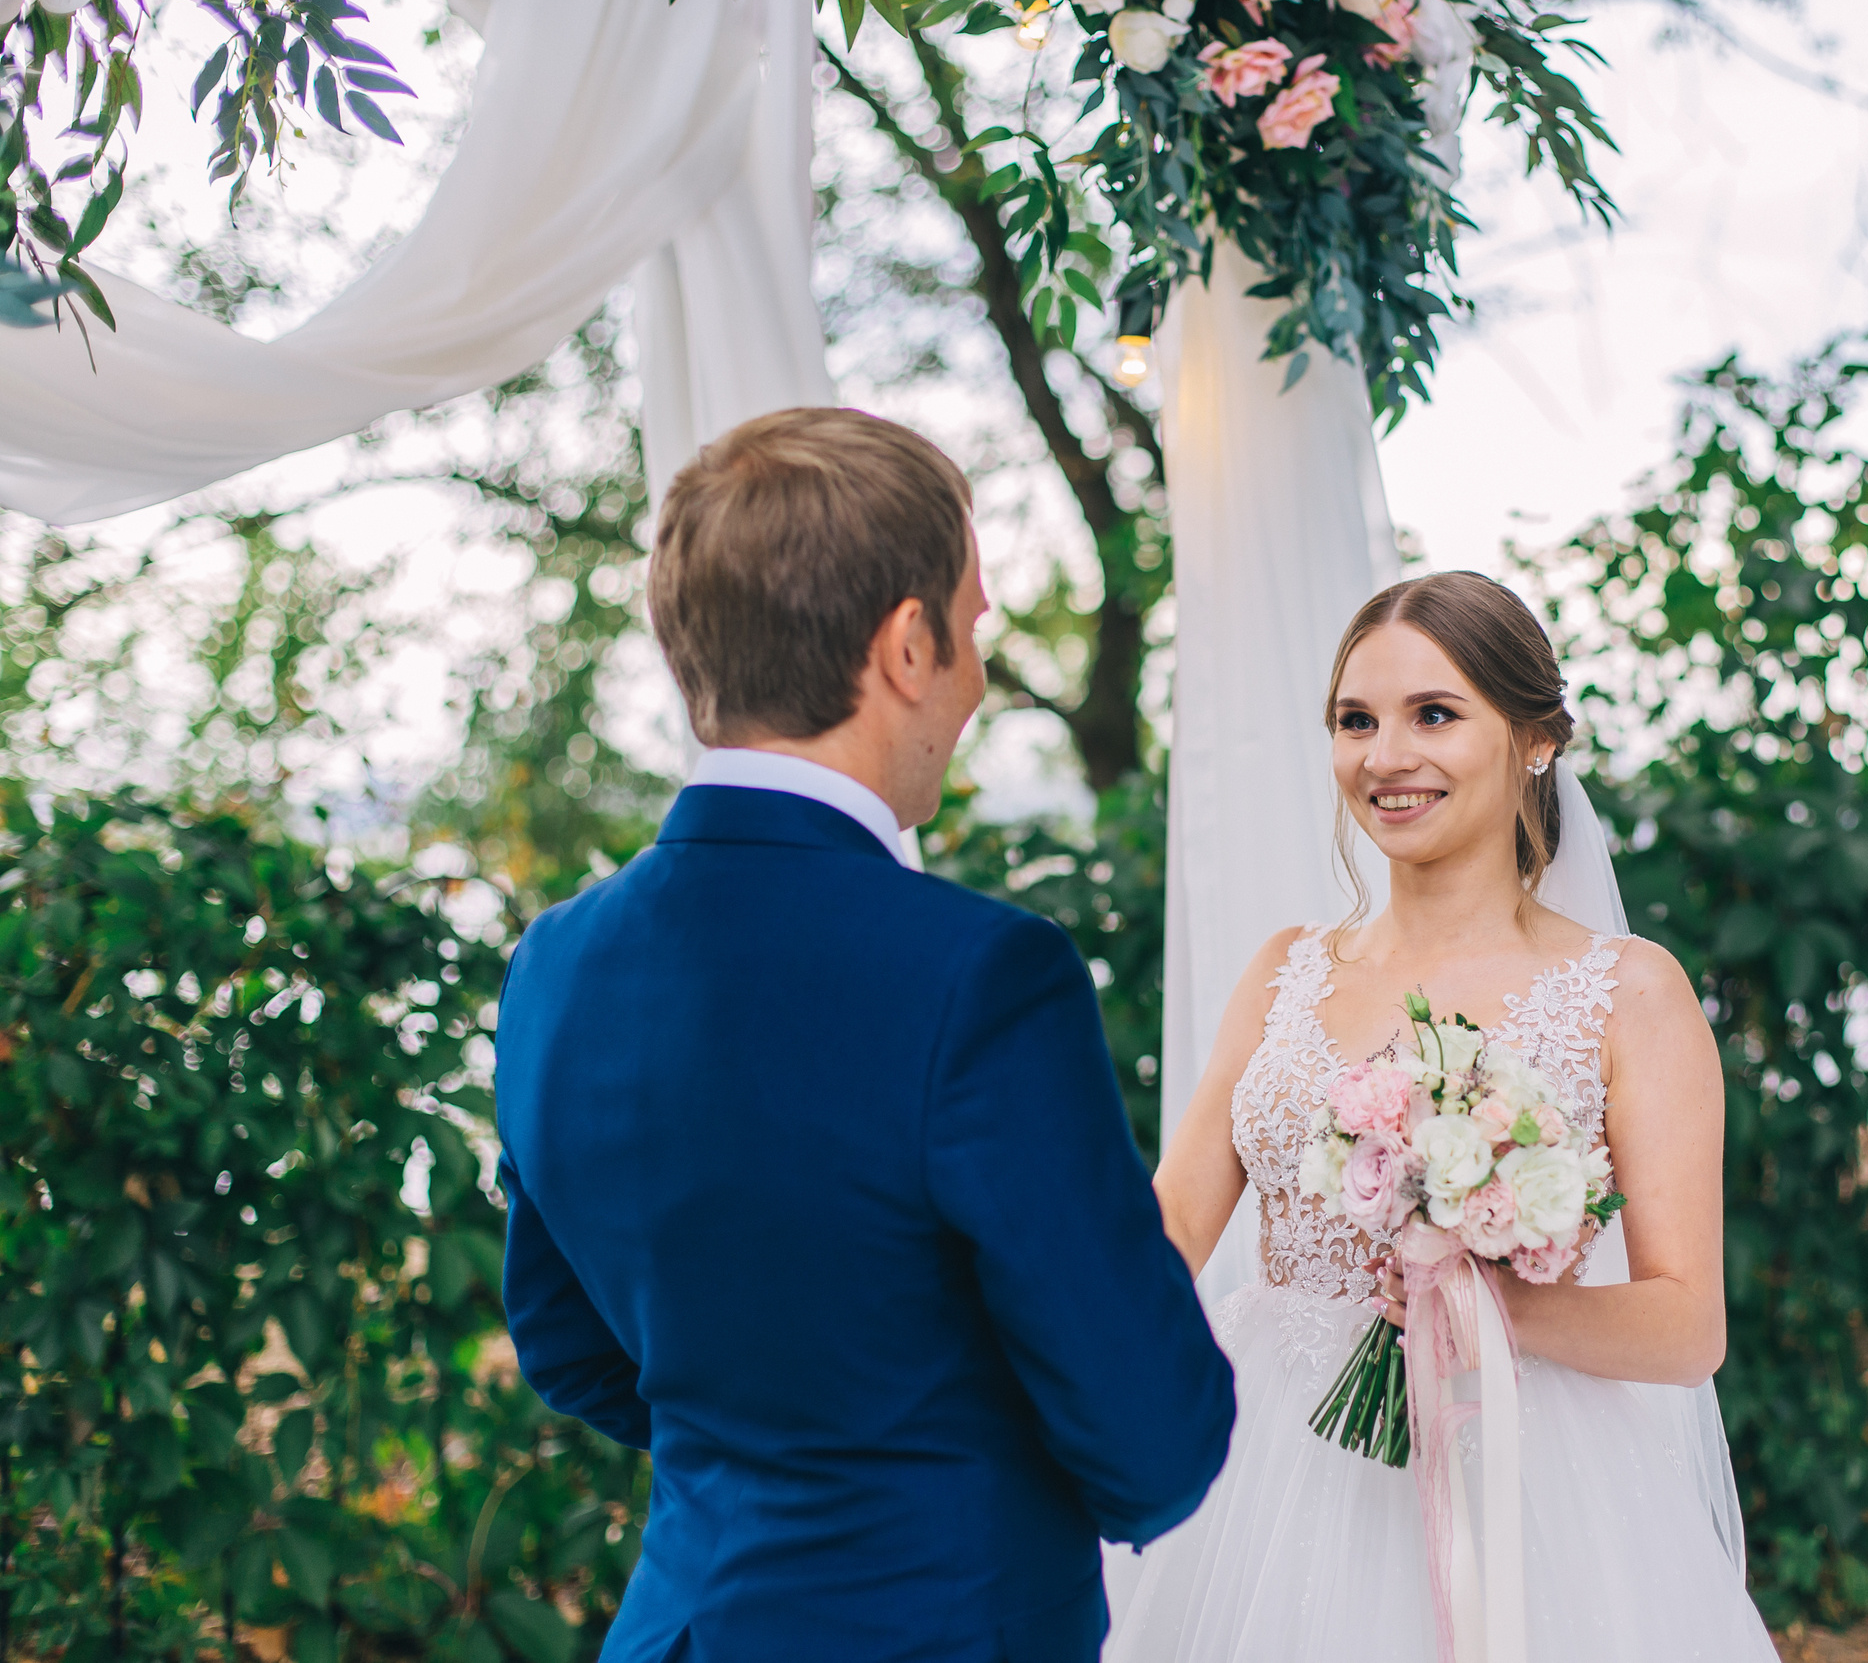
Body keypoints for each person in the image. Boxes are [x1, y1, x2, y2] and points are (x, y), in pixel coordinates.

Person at [493, 407, 1235, 1663]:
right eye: (973, 629)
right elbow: (1152, 1440)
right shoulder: (980, 974)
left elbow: (569, 1349)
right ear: (906, 646)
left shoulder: (552, 965)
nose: (977, 675)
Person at [1112, 571, 1779, 1660]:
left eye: (1433, 714)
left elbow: (1686, 1326)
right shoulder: (1284, 969)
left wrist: (1487, 1306)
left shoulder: (1628, 993)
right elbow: (1172, 1224)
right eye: (1355, 721)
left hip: (1521, 1472)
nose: (1385, 757)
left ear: (1535, 739)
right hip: (1267, 1468)